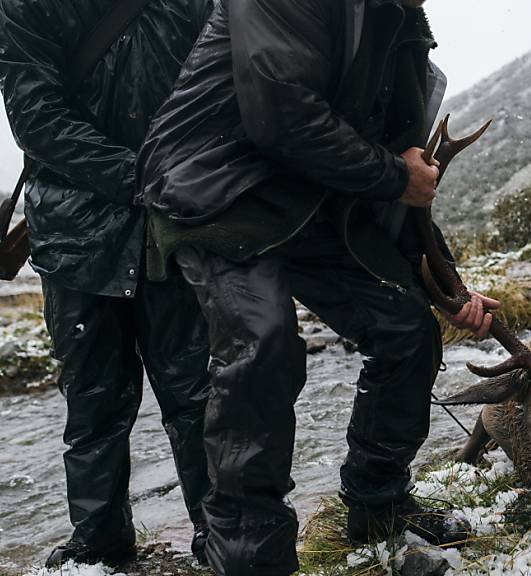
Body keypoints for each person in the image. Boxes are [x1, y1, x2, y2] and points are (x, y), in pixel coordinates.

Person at [138, 0, 493, 573]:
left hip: (306, 199)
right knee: (264, 341)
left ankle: (379, 506)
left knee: (405, 327)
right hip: (214, 191)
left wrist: (446, 284)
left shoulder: (402, 33)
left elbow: (400, 182)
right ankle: (254, 556)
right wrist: (397, 176)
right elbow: (282, 115)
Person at [0, 0, 214, 568]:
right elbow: (36, 117)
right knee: (94, 402)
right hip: (79, 237)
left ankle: (221, 538)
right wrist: (143, 179)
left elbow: (224, 84)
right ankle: (99, 547)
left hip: (174, 227)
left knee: (197, 393)